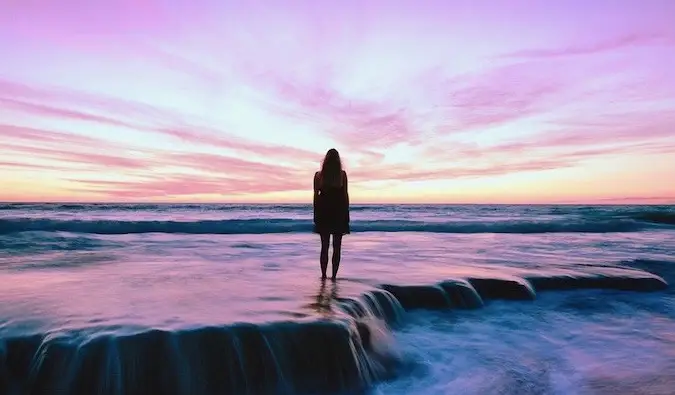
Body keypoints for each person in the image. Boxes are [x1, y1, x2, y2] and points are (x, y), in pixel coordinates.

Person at [313, 148, 350, 281]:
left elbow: (315, 197)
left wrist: (315, 214)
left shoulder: (318, 175)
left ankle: (323, 276)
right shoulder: (342, 175)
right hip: (338, 213)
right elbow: (345, 196)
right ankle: (333, 277)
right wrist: (346, 215)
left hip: (324, 213)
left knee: (324, 247)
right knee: (337, 247)